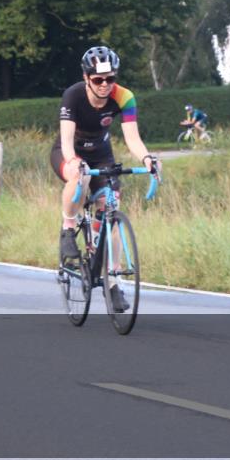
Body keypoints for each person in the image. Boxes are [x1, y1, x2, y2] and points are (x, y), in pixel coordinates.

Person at [50, 46, 160, 312]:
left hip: (102, 155)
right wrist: (74, 162)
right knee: (79, 177)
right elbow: (66, 141)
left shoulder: (124, 97)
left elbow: (132, 138)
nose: (104, 85)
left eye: (110, 79)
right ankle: (68, 228)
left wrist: (147, 159)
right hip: (69, 152)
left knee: (111, 213)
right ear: (86, 77)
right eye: (98, 79)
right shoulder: (73, 95)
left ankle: (113, 283)